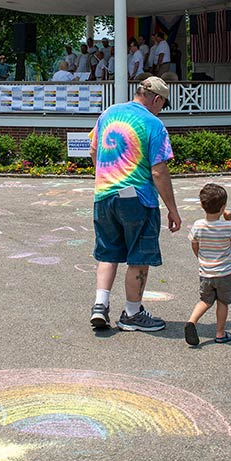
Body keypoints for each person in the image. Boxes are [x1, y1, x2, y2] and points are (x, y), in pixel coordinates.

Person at [88, 77, 182, 333]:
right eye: (163, 104)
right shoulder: (154, 124)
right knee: (139, 257)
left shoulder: (109, 113)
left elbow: (94, 149)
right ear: (157, 99)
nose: (161, 108)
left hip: (104, 194)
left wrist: (108, 175)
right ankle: (132, 313)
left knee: (108, 252)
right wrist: (172, 209)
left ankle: (100, 304)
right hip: (137, 199)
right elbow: (159, 171)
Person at [184, 183, 231, 346]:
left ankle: (192, 321)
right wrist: (230, 219)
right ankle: (220, 333)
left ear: (202, 205)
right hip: (224, 273)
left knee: (205, 300)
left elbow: (194, 243)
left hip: (205, 272)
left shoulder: (198, 225)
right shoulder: (227, 225)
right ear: (223, 206)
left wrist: (200, 256)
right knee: (222, 302)